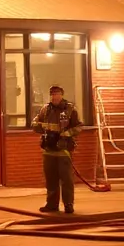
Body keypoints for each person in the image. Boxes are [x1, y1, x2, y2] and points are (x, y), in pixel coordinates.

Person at [32, 85, 83, 214]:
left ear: (62, 94)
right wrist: (42, 127)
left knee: (66, 179)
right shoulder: (45, 109)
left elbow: (79, 126)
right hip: (49, 149)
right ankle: (52, 204)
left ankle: (68, 204)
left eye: (57, 94)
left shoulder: (70, 109)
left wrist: (68, 133)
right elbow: (35, 123)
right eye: (53, 94)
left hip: (63, 149)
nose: (55, 96)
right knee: (51, 178)